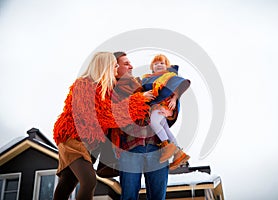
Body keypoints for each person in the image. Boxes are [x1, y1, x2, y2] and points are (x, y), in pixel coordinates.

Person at [52, 52, 151, 200]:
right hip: (72, 138)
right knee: (89, 181)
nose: (116, 69)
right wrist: (139, 100)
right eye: (115, 65)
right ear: (105, 66)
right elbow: (106, 115)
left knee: (67, 183)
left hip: (88, 144)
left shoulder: (106, 90)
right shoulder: (84, 85)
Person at [108, 52, 170, 200]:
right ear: (114, 67)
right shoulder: (109, 90)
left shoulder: (143, 83)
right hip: (130, 148)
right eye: (126, 64)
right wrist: (138, 99)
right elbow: (113, 114)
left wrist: (168, 109)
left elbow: (163, 101)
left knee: (158, 197)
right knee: (128, 196)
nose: (131, 66)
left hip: (156, 146)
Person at [142, 54, 191, 170]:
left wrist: (174, 98)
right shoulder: (148, 78)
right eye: (156, 63)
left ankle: (167, 145)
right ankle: (179, 153)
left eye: (162, 63)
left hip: (164, 105)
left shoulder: (169, 76)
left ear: (167, 66)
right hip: (156, 106)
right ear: (152, 67)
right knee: (164, 127)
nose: (159, 65)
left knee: (153, 122)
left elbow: (178, 87)